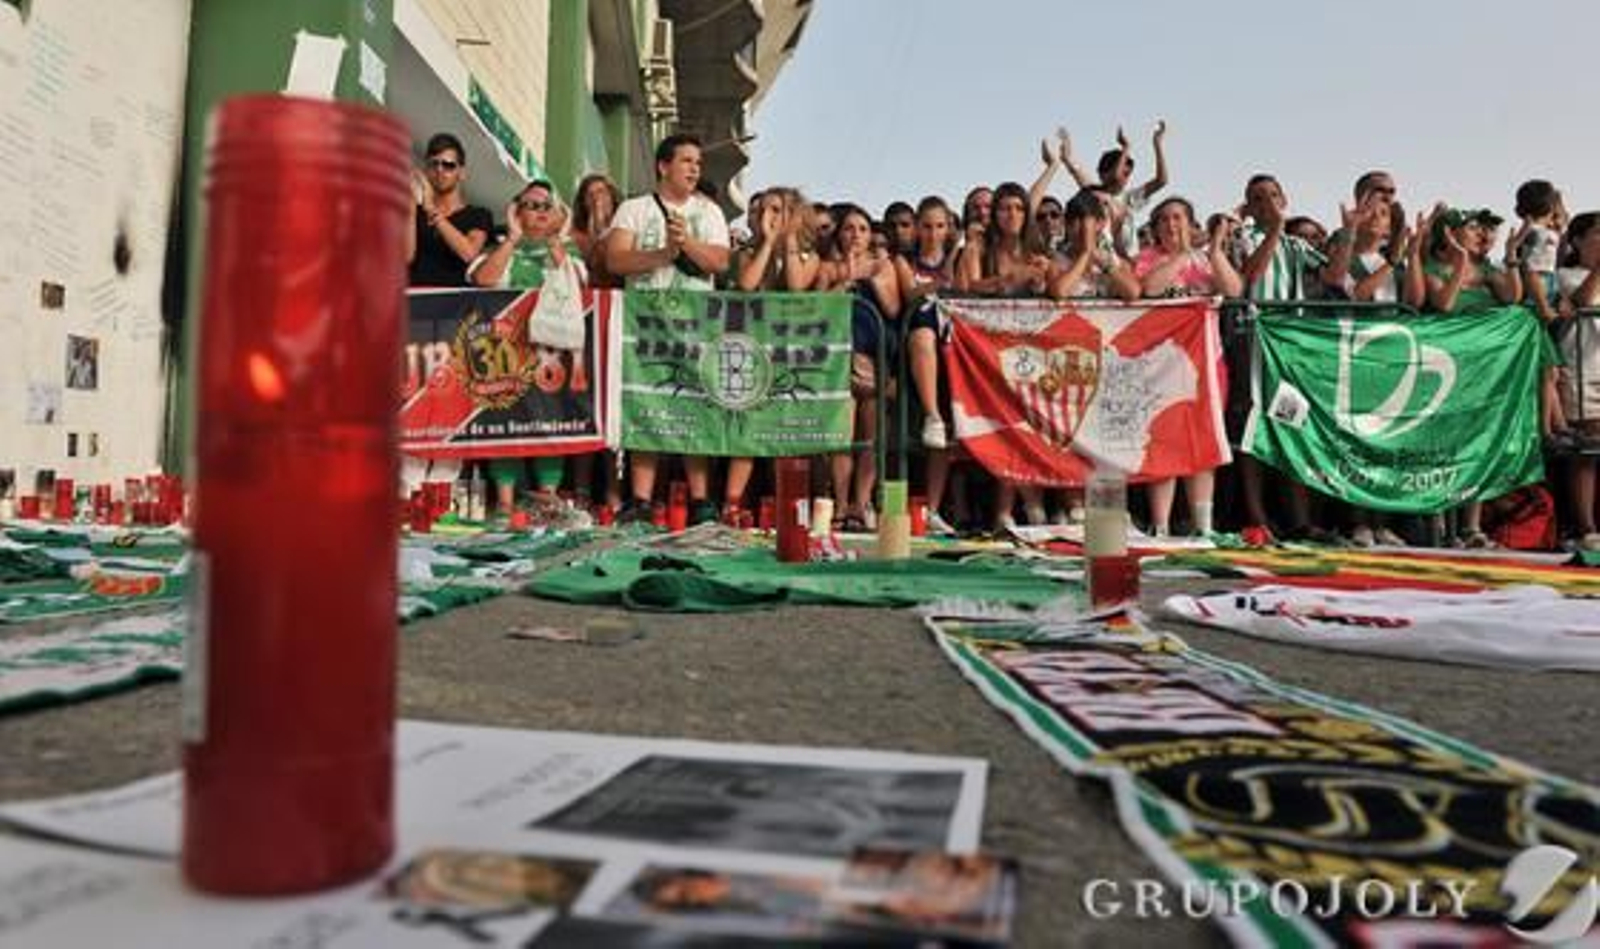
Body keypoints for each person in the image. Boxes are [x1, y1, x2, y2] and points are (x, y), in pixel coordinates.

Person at [604, 133, 732, 524]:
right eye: (686, 161)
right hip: (646, 323)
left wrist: (686, 243)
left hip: (696, 325)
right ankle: (640, 499)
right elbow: (615, 260)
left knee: (695, 405)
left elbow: (720, 262)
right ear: (663, 165)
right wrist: (663, 254)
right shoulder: (634, 209)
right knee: (647, 404)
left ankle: (700, 500)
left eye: (698, 163)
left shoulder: (709, 212)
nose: (695, 168)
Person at [467, 180, 586, 515]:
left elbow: (577, 283)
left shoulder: (567, 252)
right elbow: (485, 279)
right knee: (505, 421)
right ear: (516, 211)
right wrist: (514, 239)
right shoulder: (501, 249)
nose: (537, 212)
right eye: (530, 205)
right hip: (504, 357)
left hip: (550, 356)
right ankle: (505, 501)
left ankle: (547, 496)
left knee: (549, 422)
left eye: (545, 206)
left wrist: (554, 239)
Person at [1231, 173, 1338, 543]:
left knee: (1292, 421)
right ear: (1248, 206)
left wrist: (1351, 232)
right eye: (1258, 198)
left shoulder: (1297, 245)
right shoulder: (1241, 237)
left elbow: (1333, 276)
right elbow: (1250, 276)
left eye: (1273, 195)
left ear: (1285, 198)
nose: (1267, 203)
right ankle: (1256, 517)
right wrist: (1274, 230)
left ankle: (1299, 520)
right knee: (1253, 425)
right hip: (1254, 340)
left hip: (1292, 346)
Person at [1133, 196, 1242, 537]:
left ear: (1191, 223)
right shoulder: (1147, 259)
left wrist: (1213, 248)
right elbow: (1148, 289)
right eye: (1163, 219)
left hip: (1207, 364)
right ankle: (1161, 526)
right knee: (1163, 439)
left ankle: (1203, 527)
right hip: (1160, 365)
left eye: (1178, 217)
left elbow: (1234, 288)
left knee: (1202, 439)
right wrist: (1181, 254)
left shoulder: (1208, 258)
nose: (1171, 225)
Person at [1423, 206, 1524, 547]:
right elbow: (1445, 304)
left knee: (1476, 444)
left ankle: (1471, 527)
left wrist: (1510, 258)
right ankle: (1439, 525)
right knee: (1440, 447)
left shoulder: (1487, 269)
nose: (1480, 232)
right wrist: (1461, 262)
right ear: (1448, 235)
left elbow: (1513, 297)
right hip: (1445, 370)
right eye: (1471, 227)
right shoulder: (1430, 268)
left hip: (1483, 371)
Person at [729, 187, 821, 519]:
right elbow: (748, 284)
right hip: (753, 354)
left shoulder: (810, 256)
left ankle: (786, 510)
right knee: (748, 433)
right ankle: (732, 504)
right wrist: (767, 242)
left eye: (779, 209)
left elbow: (797, 286)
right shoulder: (748, 252)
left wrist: (790, 239)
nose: (770, 216)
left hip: (790, 358)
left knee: (785, 435)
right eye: (766, 209)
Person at [819, 204, 902, 531]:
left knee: (870, 436)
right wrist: (847, 278)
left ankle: (861, 503)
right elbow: (818, 310)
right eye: (849, 228)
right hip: (838, 359)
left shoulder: (884, 265)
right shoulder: (827, 267)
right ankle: (839, 505)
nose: (856, 235)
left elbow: (893, 308)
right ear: (840, 233)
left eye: (863, 229)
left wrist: (871, 278)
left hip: (874, 357)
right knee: (842, 436)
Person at [894, 196, 960, 533]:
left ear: (948, 228)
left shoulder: (961, 258)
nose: (933, 233)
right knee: (921, 338)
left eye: (940, 226)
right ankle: (931, 414)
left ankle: (934, 509)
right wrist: (941, 280)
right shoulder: (905, 261)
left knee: (946, 432)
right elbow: (910, 295)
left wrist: (954, 266)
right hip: (920, 346)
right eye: (927, 226)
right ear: (918, 228)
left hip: (956, 348)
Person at [1555, 211, 1600, 550]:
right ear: (1578, 240)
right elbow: (1583, 300)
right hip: (1582, 368)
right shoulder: (1565, 275)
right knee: (1585, 450)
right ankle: (1583, 527)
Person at [1059, 121, 1169, 259]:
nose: (1124, 178)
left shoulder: (1129, 198)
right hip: (1099, 261)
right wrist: (1126, 148)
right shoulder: (1093, 194)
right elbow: (1079, 171)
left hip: (1123, 262)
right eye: (1123, 172)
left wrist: (1157, 144)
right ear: (1102, 173)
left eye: (1128, 174)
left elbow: (1162, 180)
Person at [406, 133, 492, 287]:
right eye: (434, 164)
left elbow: (469, 253)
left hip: (454, 305)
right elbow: (406, 256)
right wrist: (411, 203)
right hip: (415, 300)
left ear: (462, 173)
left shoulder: (478, 215)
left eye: (448, 165)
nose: (440, 170)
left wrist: (431, 209)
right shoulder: (416, 212)